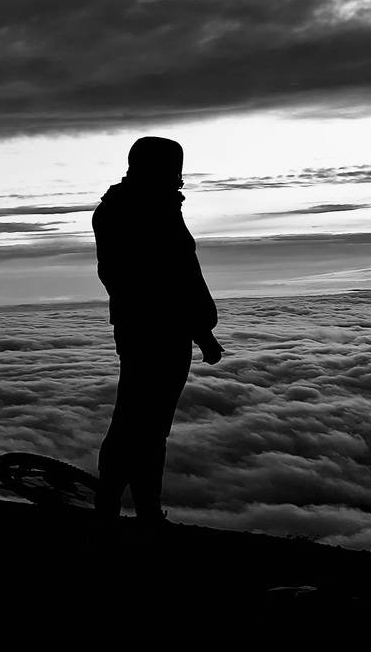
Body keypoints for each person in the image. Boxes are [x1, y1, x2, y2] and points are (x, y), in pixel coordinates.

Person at [92, 136, 223, 528]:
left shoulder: (124, 206)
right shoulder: (151, 208)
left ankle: (126, 508)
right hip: (158, 332)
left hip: (143, 328)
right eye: (175, 168)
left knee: (138, 423)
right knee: (143, 426)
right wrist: (203, 332)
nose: (180, 178)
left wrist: (199, 329)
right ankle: (132, 512)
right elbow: (175, 277)